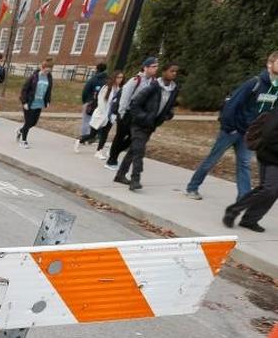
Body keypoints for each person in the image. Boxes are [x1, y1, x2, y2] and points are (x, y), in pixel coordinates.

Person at [187, 51, 278, 201]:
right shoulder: (254, 83)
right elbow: (232, 105)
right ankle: (192, 187)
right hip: (232, 131)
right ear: (269, 64)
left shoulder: (275, 89)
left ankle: (243, 199)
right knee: (212, 160)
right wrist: (230, 127)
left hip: (249, 135)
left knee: (244, 164)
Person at [115, 63, 180, 191]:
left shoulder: (174, 89)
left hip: (151, 125)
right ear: (164, 72)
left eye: (176, 72)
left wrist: (168, 115)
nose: (174, 74)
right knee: (139, 151)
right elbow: (135, 103)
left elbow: (170, 106)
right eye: (172, 71)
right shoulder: (153, 87)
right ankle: (135, 179)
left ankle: (120, 175)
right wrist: (143, 117)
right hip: (138, 124)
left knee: (134, 150)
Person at [224, 100, 278, 232]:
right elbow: (269, 135)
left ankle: (250, 220)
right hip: (270, 156)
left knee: (273, 192)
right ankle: (233, 210)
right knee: (269, 189)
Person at [106, 57, 159, 170]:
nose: (156, 69)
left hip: (139, 115)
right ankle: (111, 160)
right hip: (127, 113)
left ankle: (114, 151)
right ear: (145, 68)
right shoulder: (135, 80)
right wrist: (122, 113)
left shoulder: (154, 82)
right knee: (120, 137)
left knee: (133, 138)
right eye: (153, 66)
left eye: (157, 66)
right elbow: (125, 98)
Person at [81, 70, 125, 158]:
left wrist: (115, 114)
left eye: (121, 78)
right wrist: (104, 113)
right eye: (118, 77)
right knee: (92, 135)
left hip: (111, 116)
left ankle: (99, 151)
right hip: (101, 115)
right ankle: (80, 140)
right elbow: (100, 101)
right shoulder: (106, 87)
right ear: (114, 78)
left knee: (105, 134)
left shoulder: (120, 90)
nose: (120, 79)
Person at [16, 58, 54, 148]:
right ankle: (23, 141)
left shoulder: (49, 77)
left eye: (49, 71)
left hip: (39, 103)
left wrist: (48, 101)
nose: (47, 72)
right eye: (46, 70)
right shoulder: (34, 76)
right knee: (28, 122)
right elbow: (24, 89)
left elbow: (49, 90)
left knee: (33, 123)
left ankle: (20, 131)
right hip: (30, 103)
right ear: (42, 68)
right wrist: (24, 102)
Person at [75, 63, 109, 151]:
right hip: (101, 105)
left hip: (90, 102)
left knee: (86, 121)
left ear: (97, 68)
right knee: (97, 122)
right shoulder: (108, 80)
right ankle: (91, 138)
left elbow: (85, 91)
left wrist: (85, 101)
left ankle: (83, 139)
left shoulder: (93, 79)